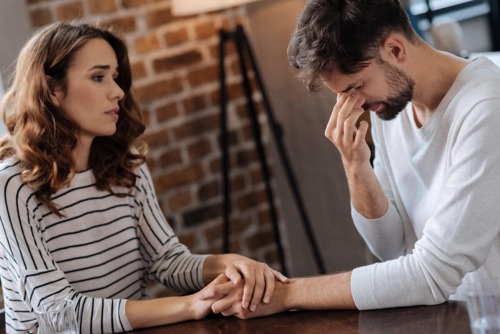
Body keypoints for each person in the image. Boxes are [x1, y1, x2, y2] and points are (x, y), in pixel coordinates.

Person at [206, 0, 500, 318]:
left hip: (486, 315)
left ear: (396, 50)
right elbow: (390, 247)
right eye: (345, 94)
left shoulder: (486, 109)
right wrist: (356, 166)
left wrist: (287, 294)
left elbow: (431, 274)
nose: (355, 104)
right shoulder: (394, 105)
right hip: (443, 315)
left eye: (357, 86)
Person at [0, 21, 287, 333]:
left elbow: (167, 261)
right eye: (98, 77)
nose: (118, 92)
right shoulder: (13, 185)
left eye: (115, 77)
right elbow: (59, 312)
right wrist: (190, 305)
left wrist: (234, 264)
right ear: (52, 90)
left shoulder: (127, 167)